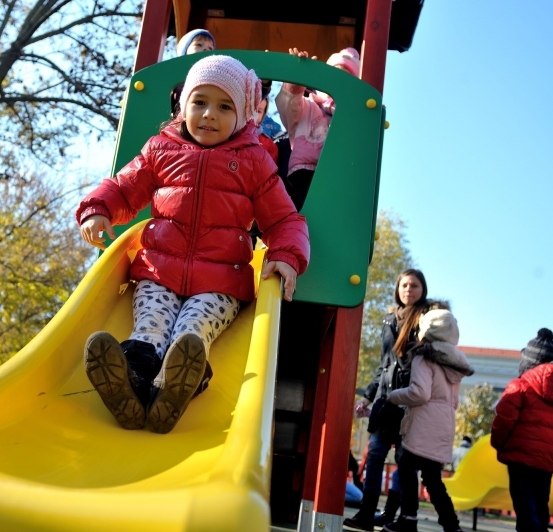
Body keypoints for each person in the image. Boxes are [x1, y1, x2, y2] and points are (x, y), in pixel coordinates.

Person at [77, 55, 310, 434]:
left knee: (192, 330)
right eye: (199, 102)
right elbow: (124, 187)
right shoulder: (160, 150)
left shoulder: (254, 161)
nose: (208, 114)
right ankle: (131, 384)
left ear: (242, 116)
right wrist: (98, 208)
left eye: (223, 106)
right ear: (183, 104)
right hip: (158, 270)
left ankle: (182, 381)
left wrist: (286, 255)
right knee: (149, 328)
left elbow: (284, 218)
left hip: (221, 281)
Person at [344, 269, 435, 532]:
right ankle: (367, 513)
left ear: (422, 289)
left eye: (414, 285)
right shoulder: (388, 320)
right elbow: (384, 365)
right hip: (385, 402)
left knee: (405, 462)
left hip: (410, 402)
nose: (409, 290)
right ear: (398, 289)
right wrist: (368, 397)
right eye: (404, 285)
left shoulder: (427, 321)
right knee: (374, 456)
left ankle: (390, 515)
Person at [383, 308, 474, 532]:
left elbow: (420, 393)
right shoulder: (455, 361)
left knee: (406, 467)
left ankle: (408, 519)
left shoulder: (424, 355)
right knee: (433, 479)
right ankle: (452, 526)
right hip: (444, 424)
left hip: (423, 422)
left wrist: (393, 397)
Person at [490, 328, 553, 532]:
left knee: (525, 509)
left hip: (519, 457)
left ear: (527, 362)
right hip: (546, 461)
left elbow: (504, 419)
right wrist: (551, 451)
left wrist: (499, 445)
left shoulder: (520, 385)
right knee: (539, 507)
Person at [274, 47, 359, 211]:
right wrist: (297, 78)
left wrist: (367, 113)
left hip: (336, 175)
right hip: (303, 173)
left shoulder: (349, 117)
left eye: (345, 80)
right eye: (334, 78)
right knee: (301, 215)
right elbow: (289, 105)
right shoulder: (309, 106)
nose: (338, 85)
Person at [170, 29, 216, 115]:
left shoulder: (213, 77)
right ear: (185, 51)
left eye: (210, 48)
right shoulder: (178, 81)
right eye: (199, 44)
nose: (206, 49)